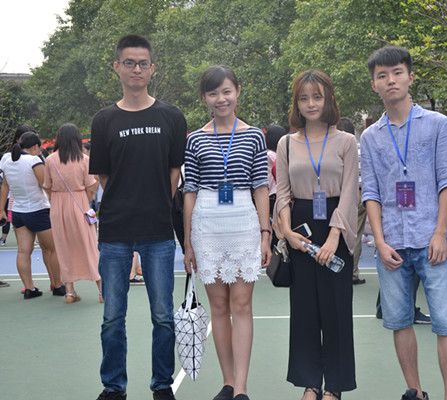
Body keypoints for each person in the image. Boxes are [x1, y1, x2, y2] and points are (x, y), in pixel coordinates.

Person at [361, 45, 447, 400]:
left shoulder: (436, 124)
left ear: (410, 77)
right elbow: (371, 193)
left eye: (397, 73)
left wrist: (440, 232)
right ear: (374, 84)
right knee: (399, 321)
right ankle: (415, 392)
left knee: (446, 323)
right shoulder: (370, 136)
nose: (391, 80)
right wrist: (379, 241)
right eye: (382, 76)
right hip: (392, 242)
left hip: (432, 238)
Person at [90, 34, 187, 400]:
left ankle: (162, 384)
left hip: (158, 230)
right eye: (129, 63)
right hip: (115, 231)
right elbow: (104, 176)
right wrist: (126, 202)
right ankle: (114, 386)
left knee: (162, 316)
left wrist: (156, 202)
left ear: (152, 69)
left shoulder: (171, 116)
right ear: (117, 67)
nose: (136, 69)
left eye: (142, 63)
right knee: (113, 318)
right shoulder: (104, 120)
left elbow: (174, 171)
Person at [183, 65, 271, 400]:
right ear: (204, 97)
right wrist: (188, 241)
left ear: (237, 92)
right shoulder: (195, 139)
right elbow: (189, 191)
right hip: (206, 225)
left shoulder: (254, 136)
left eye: (226, 91)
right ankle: (228, 382)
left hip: (244, 223)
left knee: (242, 304)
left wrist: (266, 233)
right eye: (213, 93)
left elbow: (261, 186)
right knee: (218, 306)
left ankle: (242, 389)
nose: (221, 99)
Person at [275, 70, 358, 400]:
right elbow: (282, 193)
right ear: (296, 103)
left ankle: (334, 386)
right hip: (301, 231)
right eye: (304, 98)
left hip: (336, 225)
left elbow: (350, 193)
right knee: (305, 311)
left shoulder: (346, 141)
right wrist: (287, 233)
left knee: (337, 311)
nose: (311, 103)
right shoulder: (286, 143)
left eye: (317, 97)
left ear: (329, 100)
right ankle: (311, 382)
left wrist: (335, 237)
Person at [0, 131, 64, 299]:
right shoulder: (34, 161)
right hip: (38, 210)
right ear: (35, 146)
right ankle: (58, 285)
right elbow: (46, 185)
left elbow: (5, 186)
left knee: (23, 251)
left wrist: (1, 210)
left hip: (18, 211)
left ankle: (29, 289)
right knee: (53, 249)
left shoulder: (7, 159)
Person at [43, 123, 101, 304]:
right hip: (80, 203)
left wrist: (56, 200)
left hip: (58, 206)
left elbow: (47, 186)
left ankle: (69, 291)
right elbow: (91, 185)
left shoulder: (50, 160)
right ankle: (102, 290)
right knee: (89, 246)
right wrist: (86, 201)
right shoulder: (84, 159)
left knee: (63, 247)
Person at [336, 117, 366, 285]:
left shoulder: (336, 149)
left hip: (342, 194)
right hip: (361, 193)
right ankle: (352, 272)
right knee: (356, 234)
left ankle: (339, 269)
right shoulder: (362, 148)